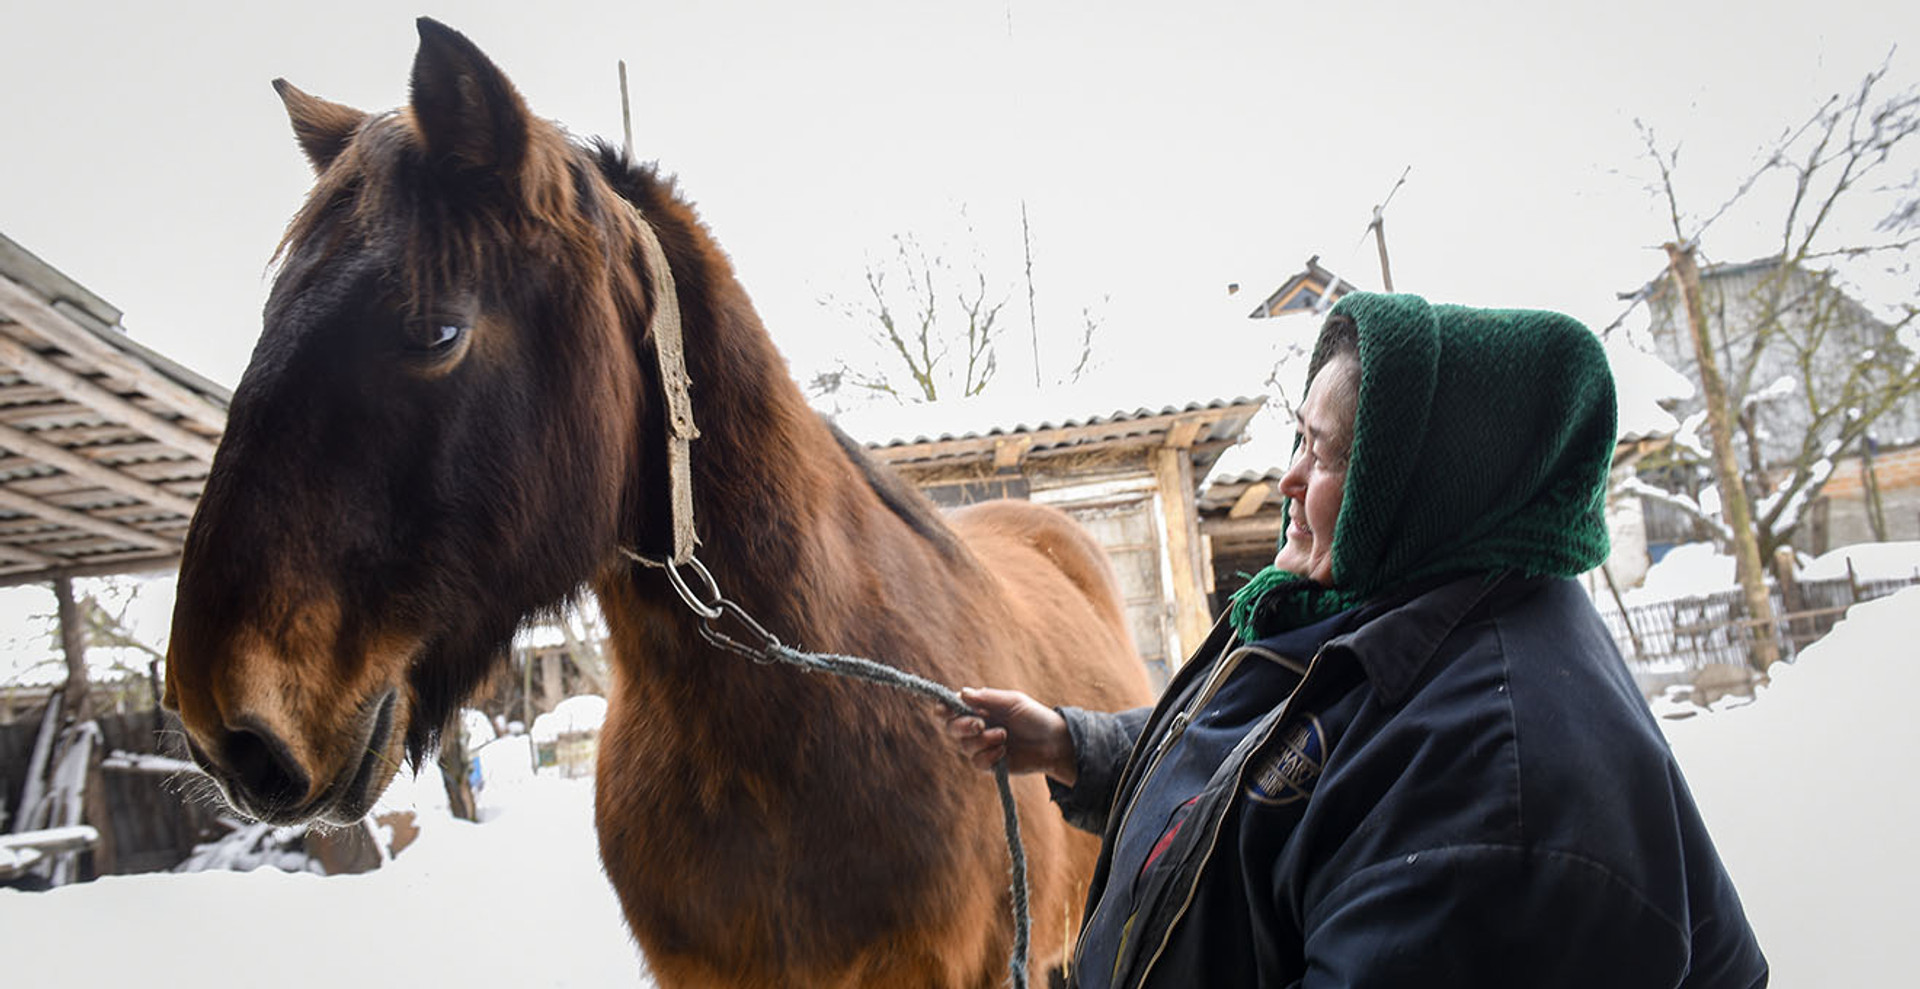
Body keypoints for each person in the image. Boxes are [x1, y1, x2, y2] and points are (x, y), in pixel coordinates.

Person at [949, 292, 1767, 988]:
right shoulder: (1397, 609)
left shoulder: (1496, 804)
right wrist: (1073, 743)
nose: (1288, 480)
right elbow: (1274, 753)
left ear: (1422, 487)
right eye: (1300, 440)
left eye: (1328, 453)